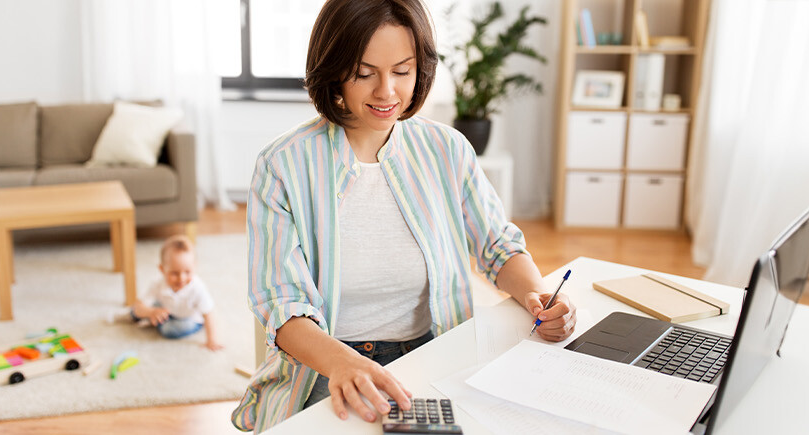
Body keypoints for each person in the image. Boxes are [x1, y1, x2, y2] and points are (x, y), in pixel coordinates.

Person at [230, 0, 577, 431]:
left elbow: (497, 245)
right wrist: (344, 364)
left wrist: (537, 296)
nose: (386, 92)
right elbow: (281, 303)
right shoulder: (283, 165)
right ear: (334, 69)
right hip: (330, 364)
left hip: (433, 352)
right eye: (364, 72)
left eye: (401, 71)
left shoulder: (446, 150)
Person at [110, 235, 222, 351]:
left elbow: (208, 313)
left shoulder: (198, 288)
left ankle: (154, 321)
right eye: (174, 273)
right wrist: (151, 312)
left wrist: (211, 340)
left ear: (195, 266)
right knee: (136, 310)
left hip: (189, 318)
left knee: (168, 330)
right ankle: (146, 318)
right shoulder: (157, 284)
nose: (181, 278)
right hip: (166, 309)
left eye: (187, 272)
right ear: (162, 269)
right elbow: (139, 305)